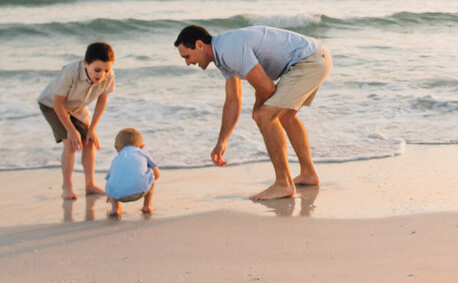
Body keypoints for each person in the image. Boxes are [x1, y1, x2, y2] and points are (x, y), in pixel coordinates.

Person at [175, 24, 332, 201]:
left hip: (309, 61)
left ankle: (283, 184)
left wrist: (258, 111)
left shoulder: (229, 49)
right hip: (315, 58)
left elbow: (267, 87)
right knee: (285, 117)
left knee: (265, 116)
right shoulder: (222, 55)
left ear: (199, 45)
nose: (188, 63)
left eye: (187, 56)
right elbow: (233, 100)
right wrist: (222, 142)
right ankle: (308, 174)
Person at [37, 42, 115, 200]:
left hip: (77, 108)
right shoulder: (71, 72)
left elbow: (102, 101)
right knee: (70, 142)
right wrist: (71, 131)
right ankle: (67, 186)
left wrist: (92, 129)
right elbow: (58, 103)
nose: (102, 75)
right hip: (51, 105)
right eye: (97, 70)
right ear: (85, 64)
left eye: (106, 70)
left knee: (89, 141)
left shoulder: (109, 76)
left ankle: (90, 185)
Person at [105, 127, 160, 218]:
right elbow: (157, 174)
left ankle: (116, 208)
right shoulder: (143, 153)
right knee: (151, 173)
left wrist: (111, 194)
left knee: (111, 182)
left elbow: (108, 179)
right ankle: (147, 205)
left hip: (117, 195)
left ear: (117, 148)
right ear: (142, 147)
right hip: (141, 191)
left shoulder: (115, 159)